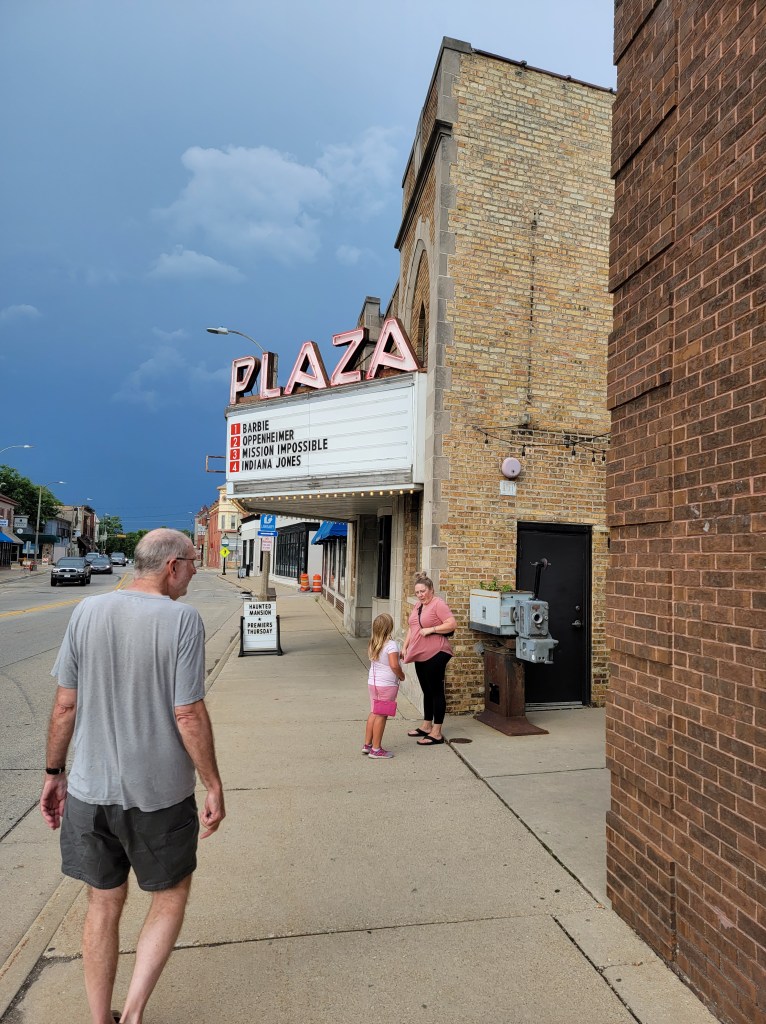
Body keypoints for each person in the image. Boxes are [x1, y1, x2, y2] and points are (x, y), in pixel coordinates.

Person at [40, 528, 225, 1024]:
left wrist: (54, 772)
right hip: (160, 796)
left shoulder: (87, 612)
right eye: (193, 561)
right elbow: (187, 712)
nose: (195, 570)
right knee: (169, 894)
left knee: (102, 903)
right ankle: (134, 1013)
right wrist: (212, 783)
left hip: (89, 791)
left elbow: (65, 705)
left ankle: (101, 1018)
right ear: (172, 565)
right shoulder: (183, 620)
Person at [401, 571, 456, 745]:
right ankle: (426, 726)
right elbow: (413, 628)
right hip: (420, 653)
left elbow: (452, 624)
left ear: (431, 589)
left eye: (423, 591)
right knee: (427, 690)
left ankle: (436, 732)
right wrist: (405, 646)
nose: (420, 595)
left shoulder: (438, 604)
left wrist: (431, 629)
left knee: (436, 690)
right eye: (417, 592)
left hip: (437, 652)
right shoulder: (418, 606)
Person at [363, 612, 405, 759]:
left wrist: (398, 655)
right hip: (387, 684)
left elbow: (384, 659)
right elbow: (394, 665)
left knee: (374, 711)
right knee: (382, 715)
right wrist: (401, 676)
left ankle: (367, 745)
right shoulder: (391, 645)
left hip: (373, 682)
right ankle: (376, 749)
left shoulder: (373, 642)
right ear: (390, 627)